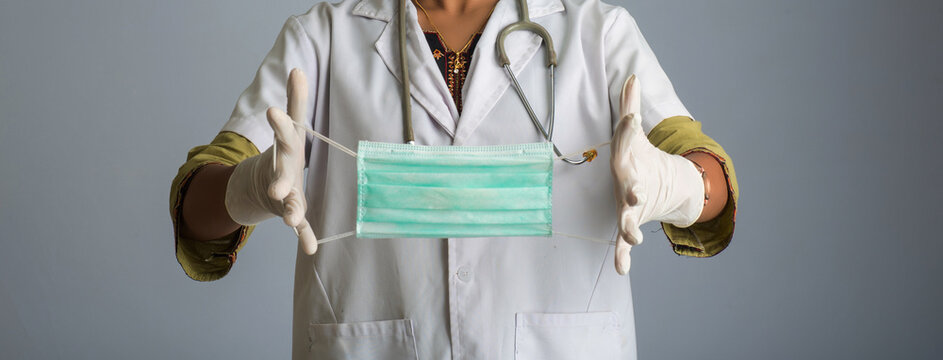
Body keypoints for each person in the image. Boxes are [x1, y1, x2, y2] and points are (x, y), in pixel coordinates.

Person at [169, 0, 739, 358]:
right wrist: (251, 186)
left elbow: (709, 180)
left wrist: (674, 184)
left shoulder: (599, 31)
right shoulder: (322, 36)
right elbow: (197, 206)